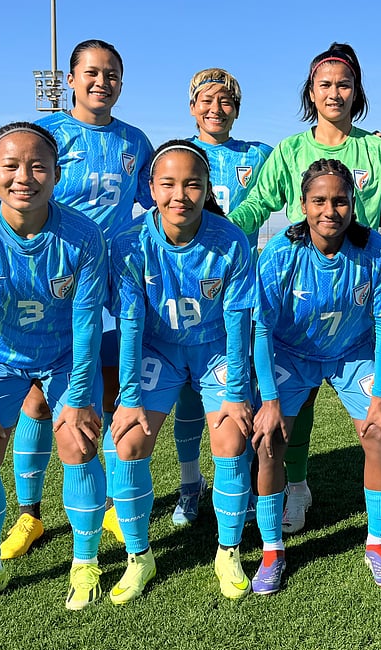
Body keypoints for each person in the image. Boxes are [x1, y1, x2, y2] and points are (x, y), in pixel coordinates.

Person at [227, 43, 381, 535]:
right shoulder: (290, 151)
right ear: (311, 93)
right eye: (325, 85)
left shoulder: (380, 149)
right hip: (300, 300)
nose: (335, 93)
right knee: (294, 406)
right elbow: (256, 206)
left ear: (358, 93)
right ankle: (295, 487)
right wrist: (221, 233)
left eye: (344, 85)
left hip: (358, 297)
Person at [0, 122, 109, 618]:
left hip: (65, 356)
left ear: (57, 174)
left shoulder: (83, 235)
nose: (23, 176)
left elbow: (87, 323)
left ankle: (85, 561)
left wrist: (76, 396)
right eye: (10, 166)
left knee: (79, 442)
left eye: (37, 166)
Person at [1, 39, 155, 559]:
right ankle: (30, 515)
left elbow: (154, 202)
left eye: (112, 73)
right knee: (38, 400)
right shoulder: (49, 136)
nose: (102, 81)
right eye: (91, 72)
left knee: (104, 397)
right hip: (52, 286)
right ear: (69, 79)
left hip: (111, 285)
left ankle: (109, 505)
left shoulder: (135, 141)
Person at [107, 139, 258, 602]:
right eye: (168, 183)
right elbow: (130, 325)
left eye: (192, 183)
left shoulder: (228, 239)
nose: (180, 195)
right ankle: (139, 556)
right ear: (150, 187)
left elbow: (237, 322)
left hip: (214, 349)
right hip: (159, 349)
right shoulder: (128, 242)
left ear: (207, 186)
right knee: (128, 440)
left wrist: (236, 391)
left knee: (231, 436)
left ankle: (228, 551)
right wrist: (129, 396)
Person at [251, 159, 381, 590]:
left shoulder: (374, 249)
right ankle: (272, 551)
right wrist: (271, 401)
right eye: (319, 200)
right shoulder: (281, 251)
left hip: (351, 355)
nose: (329, 210)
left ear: (353, 204)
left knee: (379, 434)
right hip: (292, 355)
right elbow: (261, 328)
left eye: (340, 200)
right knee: (269, 440)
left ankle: (377, 544)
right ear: (302, 204)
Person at [166, 68, 275, 528]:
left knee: (240, 392)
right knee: (190, 396)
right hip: (184, 292)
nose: (216, 108)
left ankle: (243, 485)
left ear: (238, 108)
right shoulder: (173, 155)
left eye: (226, 101)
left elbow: (312, 170)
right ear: (192, 107)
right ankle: (191, 485)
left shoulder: (260, 155)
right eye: (206, 101)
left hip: (237, 292)